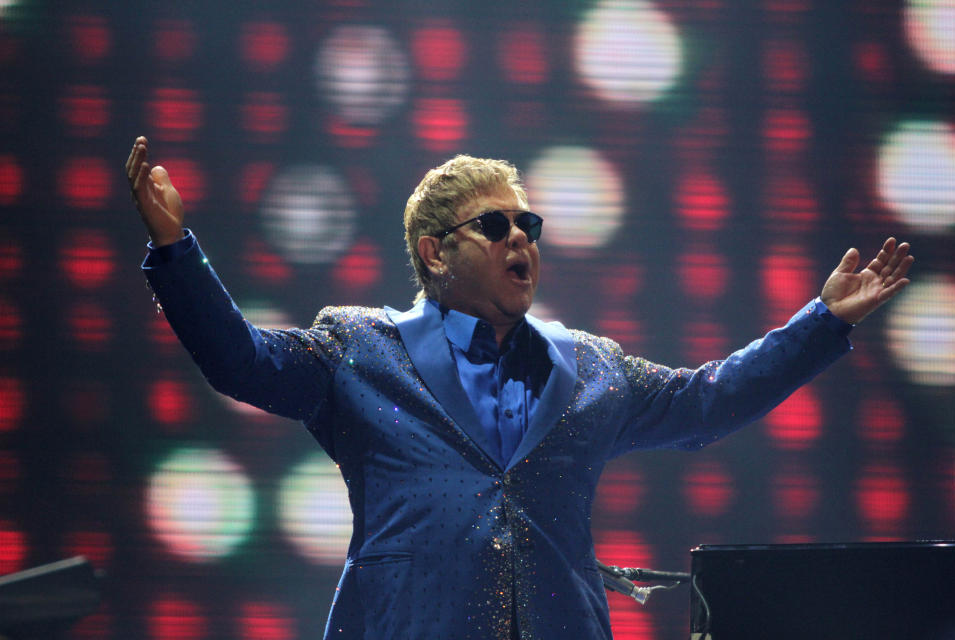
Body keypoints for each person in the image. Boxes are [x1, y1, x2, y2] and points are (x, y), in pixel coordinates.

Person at [126, 136, 913, 640]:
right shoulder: (360, 348)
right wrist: (175, 249)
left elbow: (706, 401)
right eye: (496, 226)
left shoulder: (592, 367)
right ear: (435, 253)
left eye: (528, 228)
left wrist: (820, 323)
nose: (519, 240)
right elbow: (241, 361)